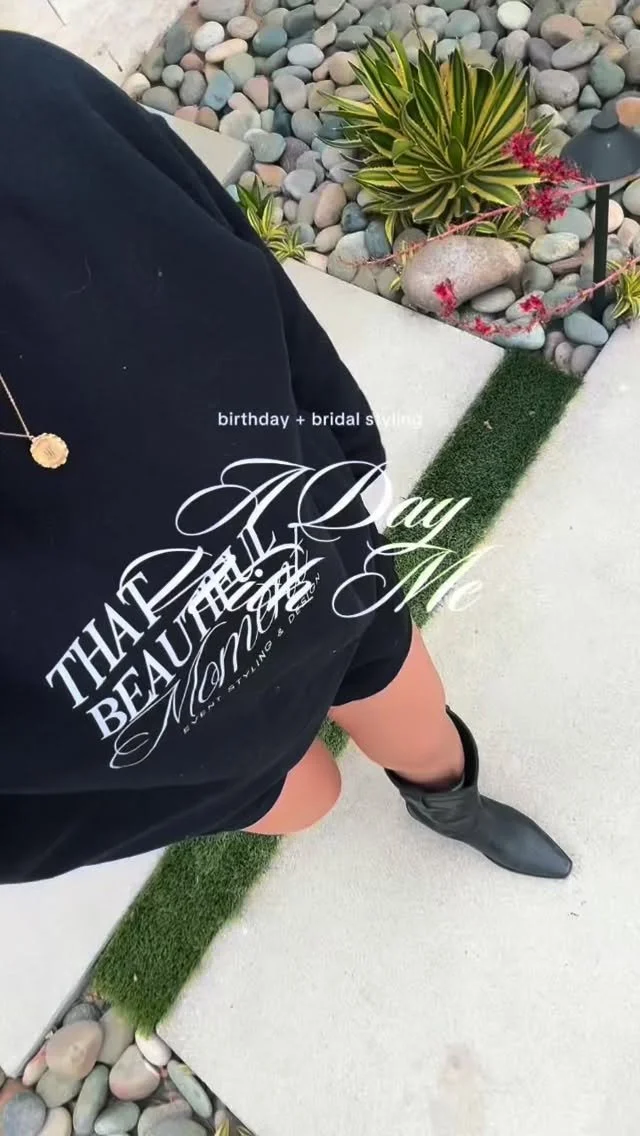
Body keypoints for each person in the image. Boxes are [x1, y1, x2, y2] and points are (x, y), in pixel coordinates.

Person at [0, 30, 571, 885]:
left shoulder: (23, 99)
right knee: (309, 797)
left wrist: (346, 467)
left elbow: (249, 284)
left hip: (310, 559)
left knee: (415, 718)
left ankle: (450, 802)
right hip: (147, 746)